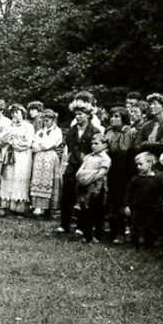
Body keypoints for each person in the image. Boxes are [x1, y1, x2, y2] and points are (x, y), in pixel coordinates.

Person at [57, 104, 103, 234]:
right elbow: (70, 146)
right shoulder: (72, 130)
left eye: (81, 114)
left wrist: (85, 158)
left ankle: (81, 226)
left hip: (87, 166)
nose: (77, 117)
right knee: (67, 195)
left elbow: (95, 149)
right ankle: (64, 224)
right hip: (72, 165)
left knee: (83, 196)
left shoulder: (95, 130)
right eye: (76, 114)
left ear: (88, 115)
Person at [104, 108, 136, 243]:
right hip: (110, 165)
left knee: (120, 200)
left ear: (123, 118)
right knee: (110, 199)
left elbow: (128, 151)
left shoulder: (129, 131)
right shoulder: (108, 131)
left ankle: (120, 233)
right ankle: (111, 230)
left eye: (116, 116)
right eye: (111, 116)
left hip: (123, 167)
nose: (112, 119)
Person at [125, 152, 163, 249]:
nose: (138, 167)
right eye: (137, 165)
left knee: (149, 226)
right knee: (135, 225)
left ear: (150, 164)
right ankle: (135, 244)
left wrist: (161, 205)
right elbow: (128, 193)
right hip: (136, 207)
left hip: (150, 208)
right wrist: (127, 205)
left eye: (141, 164)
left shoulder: (156, 180)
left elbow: (161, 193)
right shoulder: (135, 179)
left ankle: (149, 244)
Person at [75, 133, 110, 243]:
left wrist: (88, 176)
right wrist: (85, 176)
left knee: (97, 212)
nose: (93, 146)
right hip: (85, 187)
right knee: (86, 210)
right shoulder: (88, 157)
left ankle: (98, 235)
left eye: (96, 143)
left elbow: (101, 173)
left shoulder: (105, 158)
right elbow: (79, 173)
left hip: (97, 188)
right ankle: (87, 235)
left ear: (104, 145)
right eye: (92, 144)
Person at [0, 104, 34, 214]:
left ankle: (19, 206)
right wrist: (11, 128)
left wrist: (14, 143)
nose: (14, 115)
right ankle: (7, 205)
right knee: (8, 176)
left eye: (17, 112)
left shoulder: (28, 126)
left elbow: (28, 143)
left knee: (20, 177)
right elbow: (2, 137)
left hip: (22, 155)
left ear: (22, 113)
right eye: (13, 113)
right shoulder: (9, 125)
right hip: (10, 154)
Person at [29, 109, 63, 217]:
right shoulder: (39, 132)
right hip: (39, 157)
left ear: (53, 120)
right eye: (44, 121)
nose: (46, 123)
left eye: (48, 120)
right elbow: (34, 143)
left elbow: (50, 144)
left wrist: (41, 145)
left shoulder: (57, 131)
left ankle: (49, 206)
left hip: (50, 156)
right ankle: (38, 206)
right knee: (38, 179)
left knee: (48, 180)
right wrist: (38, 145)